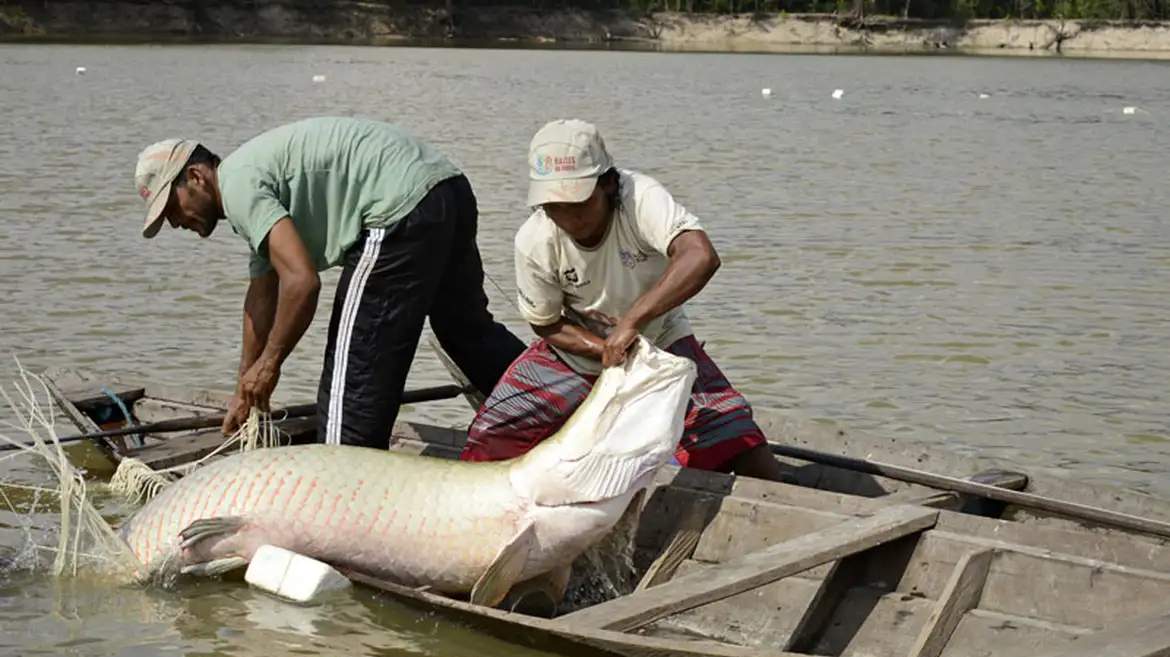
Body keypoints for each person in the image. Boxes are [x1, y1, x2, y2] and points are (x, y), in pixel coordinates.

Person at [134, 116, 526, 449]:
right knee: (467, 332)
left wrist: (270, 365)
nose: (175, 223)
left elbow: (302, 283)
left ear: (196, 177)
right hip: (447, 189)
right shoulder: (249, 180)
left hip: (398, 209)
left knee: (351, 384)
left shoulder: (239, 188)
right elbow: (262, 294)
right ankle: (557, 405)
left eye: (172, 207)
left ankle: (345, 495)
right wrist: (243, 387)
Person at [458, 118, 789, 482]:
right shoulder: (534, 239)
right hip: (574, 352)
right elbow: (546, 322)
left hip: (659, 342)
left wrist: (632, 324)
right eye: (554, 205)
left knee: (740, 442)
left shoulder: (639, 198)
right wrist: (603, 348)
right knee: (488, 438)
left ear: (608, 185)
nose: (568, 217)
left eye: (578, 202)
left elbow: (699, 255)